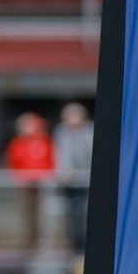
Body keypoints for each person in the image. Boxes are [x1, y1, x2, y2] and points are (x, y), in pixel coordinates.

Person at [4, 111, 54, 249]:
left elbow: (50, 160)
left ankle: (40, 243)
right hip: (24, 187)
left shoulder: (44, 141)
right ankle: (27, 244)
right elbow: (12, 163)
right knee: (26, 216)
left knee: (41, 216)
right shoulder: (16, 144)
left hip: (41, 186)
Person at [53, 102, 93, 252]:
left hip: (88, 180)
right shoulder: (62, 132)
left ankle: (90, 241)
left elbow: (93, 153)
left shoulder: (89, 131)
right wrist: (64, 171)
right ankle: (76, 243)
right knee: (73, 212)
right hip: (70, 181)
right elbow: (61, 154)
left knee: (90, 212)